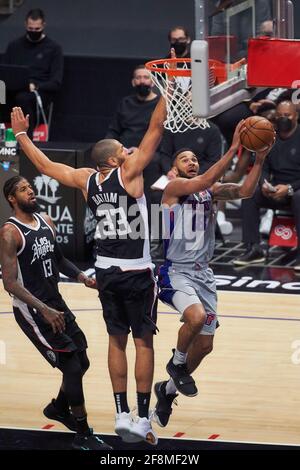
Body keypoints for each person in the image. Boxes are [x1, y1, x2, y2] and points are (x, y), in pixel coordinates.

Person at [10, 88, 167, 445]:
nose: (129, 152)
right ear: (114, 161)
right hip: (136, 271)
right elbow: (155, 129)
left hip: (106, 271)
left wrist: (21, 134)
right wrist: (169, 93)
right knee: (143, 344)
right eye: (122, 151)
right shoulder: (129, 174)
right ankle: (142, 419)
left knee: (116, 340)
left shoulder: (86, 180)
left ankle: (120, 413)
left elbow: (46, 166)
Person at [154, 129, 272, 428]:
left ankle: (166, 391)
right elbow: (203, 180)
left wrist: (259, 160)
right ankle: (177, 364)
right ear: (174, 167)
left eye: (194, 158)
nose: (191, 162)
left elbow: (244, 191)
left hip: (204, 274)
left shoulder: (209, 190)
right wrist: (234, 147)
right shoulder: (173, 187)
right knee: (195, 317)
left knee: (205, 346)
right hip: (175, 270)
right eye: (185, 159)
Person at [0, 175, 111, 450]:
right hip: (33, 310)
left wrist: (82, 277)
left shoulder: (46, 221)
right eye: (24, 190)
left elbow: (59, 259)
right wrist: (44, 309)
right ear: (12, 199)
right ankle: (83, 432)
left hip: (55, 302)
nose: (31, 191)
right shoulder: (10, 233)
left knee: (82, 360)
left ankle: (59, 409)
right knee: (71, 367)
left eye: (30, 187)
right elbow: (10, 283)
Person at [234, 99, 300, 269]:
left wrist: (290, 188)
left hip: (296, 190)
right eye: (279, 115)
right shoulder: (270, 137)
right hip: (275, 190)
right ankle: (253, 249)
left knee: (299, 197)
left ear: (296, 116)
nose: (283, 118)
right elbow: (262, 166)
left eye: (287, 115)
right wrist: (264, 183)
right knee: (249, 194)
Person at [2, 9, 63, 138]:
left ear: (43, 26)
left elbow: (56, 82)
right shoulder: (14, 46)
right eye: (31, 28)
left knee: (23, 99)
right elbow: (5, 71)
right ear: (25, 25)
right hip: (12, 89)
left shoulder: (53, 49)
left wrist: (36, 86)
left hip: (38, 92)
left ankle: (26, 142)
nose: (33, 32)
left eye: (37, 29)